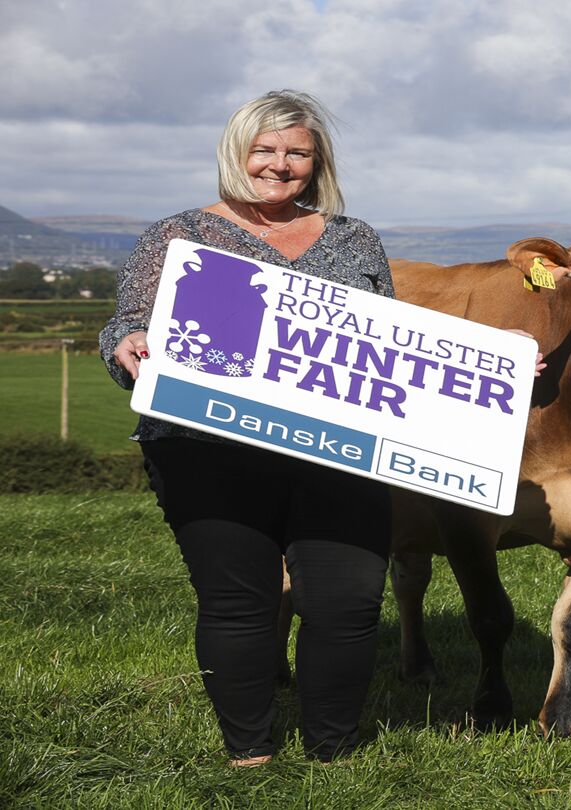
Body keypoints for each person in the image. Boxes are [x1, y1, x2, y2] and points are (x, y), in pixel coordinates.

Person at [100, 90, 394, 765]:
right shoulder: (177, 235)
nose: (279, 165)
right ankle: (249, 755)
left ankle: (334, 756)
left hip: (337, 451)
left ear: (315, 163)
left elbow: (393, 349)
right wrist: (127, 343)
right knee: (238, 603)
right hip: (208, 450)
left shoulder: (356, 239)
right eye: (265, 150)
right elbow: (125, 322)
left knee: (347, 604)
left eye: (297, 152)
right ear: (236, 153)